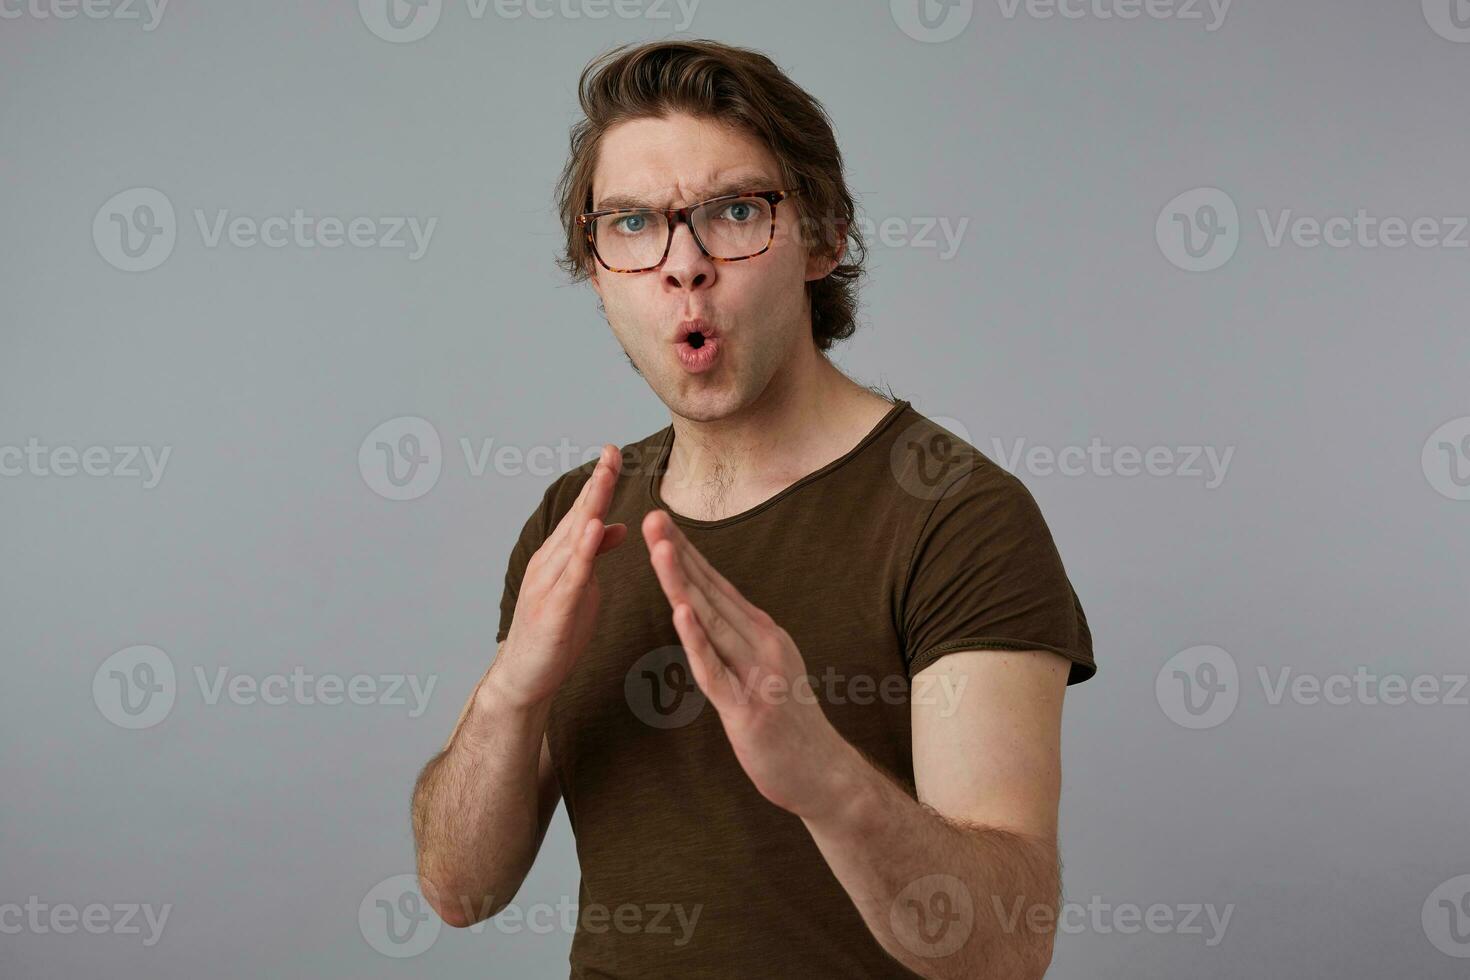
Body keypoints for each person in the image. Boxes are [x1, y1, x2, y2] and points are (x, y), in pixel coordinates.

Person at [411, 38, 1095, 980]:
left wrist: (825, 780)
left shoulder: (958, 514)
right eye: (633, 223)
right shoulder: (577, 518)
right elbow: (458, 890)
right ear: (597, 265)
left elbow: (1010, 949)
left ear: (823, 238)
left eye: (736, 212)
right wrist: (512, 692)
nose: (683, 266)